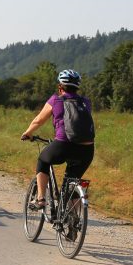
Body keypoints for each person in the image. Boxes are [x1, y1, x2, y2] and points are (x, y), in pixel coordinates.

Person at [20, 69, 94, 209]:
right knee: (73, 180)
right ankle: (73, 223)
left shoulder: (55, 100)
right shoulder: (86, 102)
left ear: (60, 87)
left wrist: (28, 132)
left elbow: (38, 120)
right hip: (87, 149)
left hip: (63, 144)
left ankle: (40, 199)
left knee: (43, 159)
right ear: (77, 86)